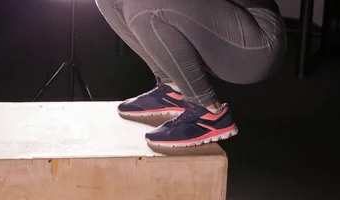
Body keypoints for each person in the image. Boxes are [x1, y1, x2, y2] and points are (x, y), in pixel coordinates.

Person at [95, 0, 287, 147]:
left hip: (256, 43)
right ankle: (174, 88)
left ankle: (209, 113)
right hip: (220, 33)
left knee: (143, 5)